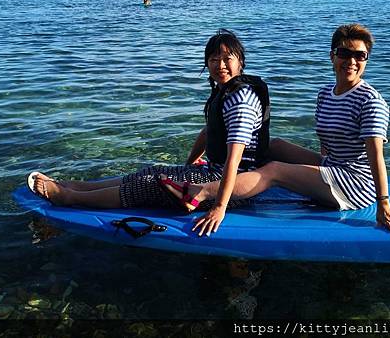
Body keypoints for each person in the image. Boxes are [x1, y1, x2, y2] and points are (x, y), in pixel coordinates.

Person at [161, 24, 390, 236]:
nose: (352, 61)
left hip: (356, 184)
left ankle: (201, 192)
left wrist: (383, 204)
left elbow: (376, 157)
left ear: (367, 59)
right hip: (334, 164)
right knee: (273, 146)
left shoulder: (370, 101)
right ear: (332, 55)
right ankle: (238, 177)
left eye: (360, 56)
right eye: (344, 53)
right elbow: (327, 144)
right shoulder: (326, 94)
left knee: (274, 171)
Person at [27, 29, 270, 218]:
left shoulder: (240, 98)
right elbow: (208, 133)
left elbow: (234, 159)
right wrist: (186, 166)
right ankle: (77, 186)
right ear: (206, 63)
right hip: (212, 172)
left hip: (235, 188)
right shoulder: (224, 92)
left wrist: (219, 207)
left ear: (241, 62)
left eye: (228, 58)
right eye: (214, 59)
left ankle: (69, 198)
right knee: (153, 171)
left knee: (150, 186)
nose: (221, 65)